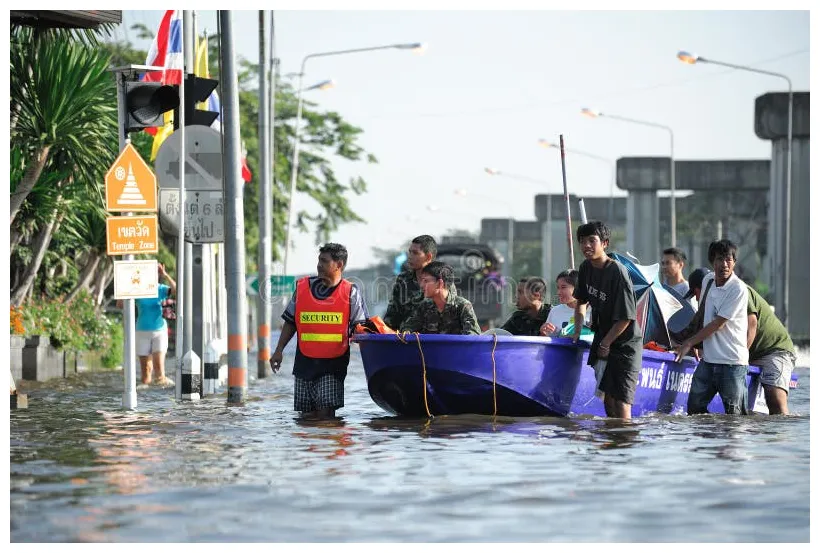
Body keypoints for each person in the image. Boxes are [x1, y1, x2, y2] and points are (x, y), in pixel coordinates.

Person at [269, 243, 368, 419]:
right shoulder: (302, 288)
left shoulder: (350, 292)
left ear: (339, 265)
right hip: (304, 362)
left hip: (333, 364)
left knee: (325, 415)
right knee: (306, 417)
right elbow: (290, 322)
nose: (319, 265)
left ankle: (327, 438)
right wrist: (278, 350)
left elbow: (360, 328)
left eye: (324, 261)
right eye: (319, 260)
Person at [685, 267, 796, 415]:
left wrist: (741, 361)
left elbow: (752, 325)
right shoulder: (711, 302)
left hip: (773, 350)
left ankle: (781, 427)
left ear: (704, 287)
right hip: (747, 354)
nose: (697, 300)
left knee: (774, 400)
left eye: (696, 294)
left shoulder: (738, 290)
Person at [572, 221, 642, 419]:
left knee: (621, 401)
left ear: (604, 243)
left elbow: (626, 317)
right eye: (582, 241)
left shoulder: (617, 272)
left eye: (591, 240)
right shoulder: (585, 268)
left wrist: (606, 343)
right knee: (608, 400)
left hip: (625, 344)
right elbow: (581, 302)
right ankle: (611, 437)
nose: (586, 245)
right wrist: (577, 330)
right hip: (603, 339)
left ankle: (625, 437)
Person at [675, 239, 749, 415]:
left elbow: (717, 324)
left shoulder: (738, 289)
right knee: (694, 410)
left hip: (732, 364)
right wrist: (694, 343)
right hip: (708, 361)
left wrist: (689, 342)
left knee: (735, 417)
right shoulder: (708, 280)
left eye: (728, 259)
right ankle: (709, 434)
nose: (724, 264)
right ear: (712, 262)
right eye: (719, 259)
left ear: (734, 262)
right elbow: (702, 315)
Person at [118, 263, 176, 386]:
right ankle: (145, 396)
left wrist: (165, 275)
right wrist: (123, 287)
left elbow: (177, 291)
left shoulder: (160, 289)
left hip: (159, 331)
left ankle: (160, 395)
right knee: (146, 373)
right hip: (142, 331)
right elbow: (120, 305)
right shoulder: (137, 289)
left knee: (159, 371)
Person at [383, 235, 457, 330]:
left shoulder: (442, 280)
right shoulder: (403, 279)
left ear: (428, 256)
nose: (410, 257)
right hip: (406, 336)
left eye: (415, 253)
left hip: (435, 336)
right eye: (410, 252)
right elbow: (392, 315)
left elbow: (451, 312)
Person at [400, 261, 481, 335]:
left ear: (440, 283)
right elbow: (407, 328)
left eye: (426, 281)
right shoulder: (424, 307)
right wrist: (407, 332)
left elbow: (473, 337)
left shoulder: (462, 306)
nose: (421, 285)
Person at [540, 269, 591, 337]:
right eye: (558, 288)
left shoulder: (595, 311)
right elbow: (547, 338)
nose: (558, 292)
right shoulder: (555, 311)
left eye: (563, 287)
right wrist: (543, 332)